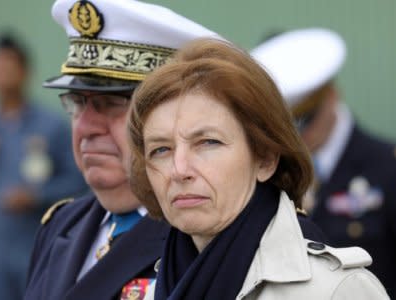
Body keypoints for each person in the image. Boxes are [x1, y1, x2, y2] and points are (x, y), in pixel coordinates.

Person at [127, 38, 389, 299]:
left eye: (208, 142)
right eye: (160, 149)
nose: (178, 169)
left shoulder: (336, 291)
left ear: (264, 159)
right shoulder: (149, 288)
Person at [23, 1, 221, 299]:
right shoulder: (61, 225)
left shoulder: (199, 231)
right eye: (77, 103)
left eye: (111, 103)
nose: (86, 126)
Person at [251, 28, 396, 298]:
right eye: (282, 128)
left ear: (330, 96)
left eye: (303, 121)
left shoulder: (387, 169)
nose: (296, 138)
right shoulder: (263, 171)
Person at [0, 32, 87, 300]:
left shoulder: (51, 127)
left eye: (8, 67)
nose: (1, 74)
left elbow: (79, 181)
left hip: (37, 245)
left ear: (25, 72)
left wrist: (36, 196)